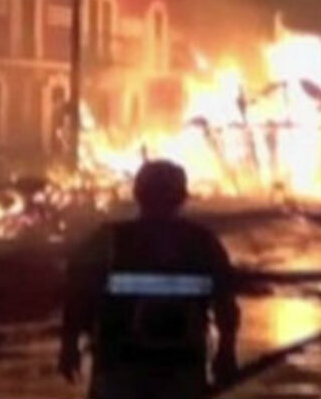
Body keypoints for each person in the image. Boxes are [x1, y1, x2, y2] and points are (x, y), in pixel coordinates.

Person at [59, 160, 239, 399]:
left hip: (119, 370)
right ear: (182, 197)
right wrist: (226, 352)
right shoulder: (202, 243)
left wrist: (69, 347)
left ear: (138, 194)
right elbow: (225, 304)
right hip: (180, 370)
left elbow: (77, 297)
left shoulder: (109, 241)